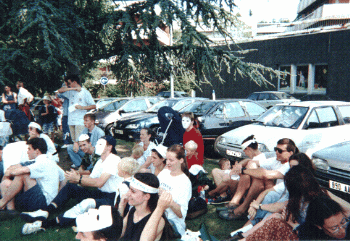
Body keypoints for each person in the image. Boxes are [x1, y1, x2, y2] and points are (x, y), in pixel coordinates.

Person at [20, 136, 123, 235]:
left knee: (87, 203)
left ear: (109, 147)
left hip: (113, 198)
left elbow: (99, 182)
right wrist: (76, 178)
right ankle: (45, 211)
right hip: (101, 193)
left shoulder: (113, 159)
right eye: (97, 143)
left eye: (101, 144)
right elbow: (91, 179)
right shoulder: (101, 160)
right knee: (70, 187)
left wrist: (79, 179)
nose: (97, 146)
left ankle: (43, 225)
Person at [219, 138, 297, 220]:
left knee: (255, 174)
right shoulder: (276, 160)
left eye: (280, 151)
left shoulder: (290, 166)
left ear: (290, 153)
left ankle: (238, 206)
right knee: (251, 168)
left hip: (277, 196)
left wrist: (243, 170)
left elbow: (266, 175)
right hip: (268, 191)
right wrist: (240, 166)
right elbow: (252, 161)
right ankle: (236, 204)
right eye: (276, 149)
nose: (276, 152)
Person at [0, 138, 65, 211]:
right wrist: (58, 196)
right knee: (6, 183)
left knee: (23, 174)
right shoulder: (50, 161)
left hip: (42, 203)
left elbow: (20, 171)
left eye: (29, 149)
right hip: (43, 199)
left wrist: (10, 172)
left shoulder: (41, 163)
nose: (27, 152)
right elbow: (64, 177)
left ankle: (2, 203)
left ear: (37, 151)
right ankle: (10, 210)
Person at [210, 135, 266, 206]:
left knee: (226, 179)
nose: (245, 153)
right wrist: (238, 166)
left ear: (248, 149)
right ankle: (223, 195)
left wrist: (238, 172)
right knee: (215, 171)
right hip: (237, 180)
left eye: (244, 151)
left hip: (242, 186)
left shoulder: (259, 161)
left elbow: (249, 180)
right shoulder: (255, 158)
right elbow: (248, 161)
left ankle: (213, 193)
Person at [118, 173, 166, 241]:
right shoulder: (133, 211)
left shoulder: (159, 220)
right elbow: (117, 234)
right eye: (129, 189)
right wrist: (121, 207)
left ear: (146, 197)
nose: (128, 193)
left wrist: (160, 207)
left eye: (133, 191)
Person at [157, 144, 192, 236]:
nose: (167, 163)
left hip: (172, 222)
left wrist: (168, 200)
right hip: (157, 213)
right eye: (167, 159)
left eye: (171, 160)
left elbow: (181, 214)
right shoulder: (164, 173)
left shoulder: (185, 182)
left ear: (181, 160)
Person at [57, 74, 96, 143]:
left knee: (80, 140)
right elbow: (59, 90)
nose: (68, 85)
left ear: (74, 82)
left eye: (69, 83)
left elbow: (93, 106)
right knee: (74, 141)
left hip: (80, 121)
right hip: (71, 121)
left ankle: (83, 153)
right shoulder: (70, 91)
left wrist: (82, 107)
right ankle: (75, 152)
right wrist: (73, 88)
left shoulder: (85, 92)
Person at [57, 81, 72, 148]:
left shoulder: (69, 93)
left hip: (68, 114)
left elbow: (58, 94)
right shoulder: (68, 93)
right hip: (66, 113)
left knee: (67, 129)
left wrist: (63, 89)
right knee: (65, 128)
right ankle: (67, 142)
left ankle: (67, 142)